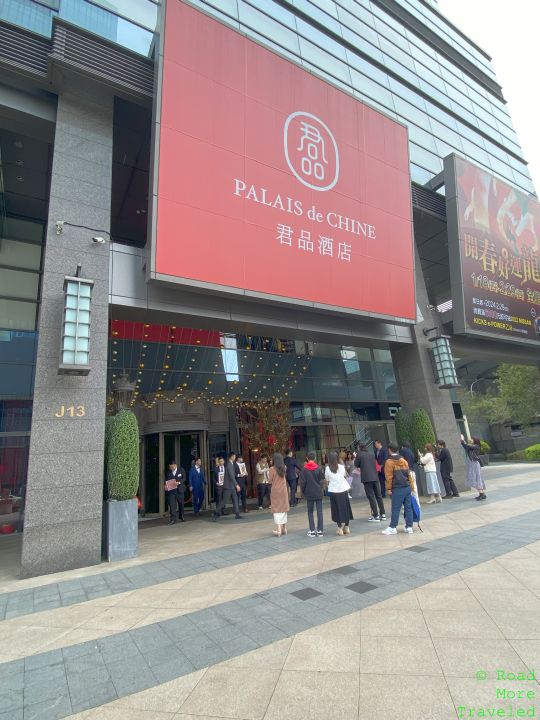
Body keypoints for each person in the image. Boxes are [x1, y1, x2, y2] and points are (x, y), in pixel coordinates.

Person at [382, 443, 415, 535]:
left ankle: (393, 527)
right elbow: (409, 474)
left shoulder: (389, 462)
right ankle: (409, 527)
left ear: (389, 450)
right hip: (407, 487)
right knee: (408, 508)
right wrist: (411, 487)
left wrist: (388, 489)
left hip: (397, 488)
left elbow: (389, 477)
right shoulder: (403, 461)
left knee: (396, 508)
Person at [355, 443, 386, 522]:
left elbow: (356, 464)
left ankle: (376, 515)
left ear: (359, 448)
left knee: (371, 497)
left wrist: (356, 456)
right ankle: (383, 514)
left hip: (367, 478)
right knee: (379, 496)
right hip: (375, 477)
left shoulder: (359, 455)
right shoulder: (371, 455)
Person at [325, 451, 353, 535]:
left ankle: (340, 528)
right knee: (346, 508)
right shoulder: (341, 467)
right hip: (343, 490)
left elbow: (327, 479)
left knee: (337, 509)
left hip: (334, 491)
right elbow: (344, 476)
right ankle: (347, 527)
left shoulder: (327, 468)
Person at [300, 451, 325, 537]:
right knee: (320, 511)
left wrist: (303, 492)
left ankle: (312, 531)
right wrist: (321, 488)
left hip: (309, 493)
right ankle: (320, 530)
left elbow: (302, 483)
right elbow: (322, 481)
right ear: (314, 458)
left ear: (307, 458)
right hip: (318, 492)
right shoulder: (318, 468)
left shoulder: (304, 469)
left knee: (310, 511)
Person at [215, 452, 243, 520]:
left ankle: (237, 514)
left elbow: (233, 475)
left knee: (235, 499)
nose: (235, 457)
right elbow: (231, 476)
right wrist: (237, 485)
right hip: (228, 486)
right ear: (232, 457)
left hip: (231, 486)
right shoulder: (229, 464)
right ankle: (216, 512)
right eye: (234, 456)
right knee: (224, 501)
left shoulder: (231, 464)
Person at [269, 453, 290, 536]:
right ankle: (284, 528)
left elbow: (270, 481)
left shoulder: (272, 469)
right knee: (283, 508)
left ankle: (279, 530)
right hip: (284, 490)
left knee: (277, 509)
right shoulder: (284, 467)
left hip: (275, 491)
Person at [461, 435, 487, 500]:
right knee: (476, 478)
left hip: (474, 464)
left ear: (475, 440)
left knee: (476, 478)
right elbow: (465, 446)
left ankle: (481, 493)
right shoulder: (473, 446)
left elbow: (467, 446)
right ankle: (482, 493)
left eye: (472, 439)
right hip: (473, 464)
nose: (471, 440)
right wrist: (462, 441)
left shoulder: (476, 446)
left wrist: (462, 440)